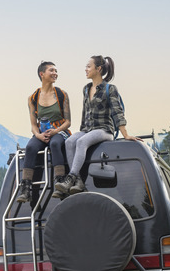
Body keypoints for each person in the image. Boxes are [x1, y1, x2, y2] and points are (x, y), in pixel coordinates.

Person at [55, 56, 141, 195]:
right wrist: (82, 130)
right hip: (87, 130)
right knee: (70, 141)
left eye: (89, 66)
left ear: (98, 69)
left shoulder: (110, 89)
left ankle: (71, 177)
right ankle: (78, 182)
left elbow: (117, 112)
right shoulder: (86, 89)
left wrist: (125, 134)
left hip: (104, 130)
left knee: (82, 142)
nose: (86, 69)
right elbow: (85, 113)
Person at [16, 61, 72, 203]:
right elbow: (33, 125)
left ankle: (60, 183)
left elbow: (68, 122)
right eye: (51, 70)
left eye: (56, 71)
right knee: (30, 147)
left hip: (60, 131)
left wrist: (55, 131)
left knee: (55, 145)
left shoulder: (62, 95)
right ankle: (26, 189)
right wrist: (38, 135)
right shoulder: (33, 98)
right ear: (42, 74)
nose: (55, 73)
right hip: (41, 132)